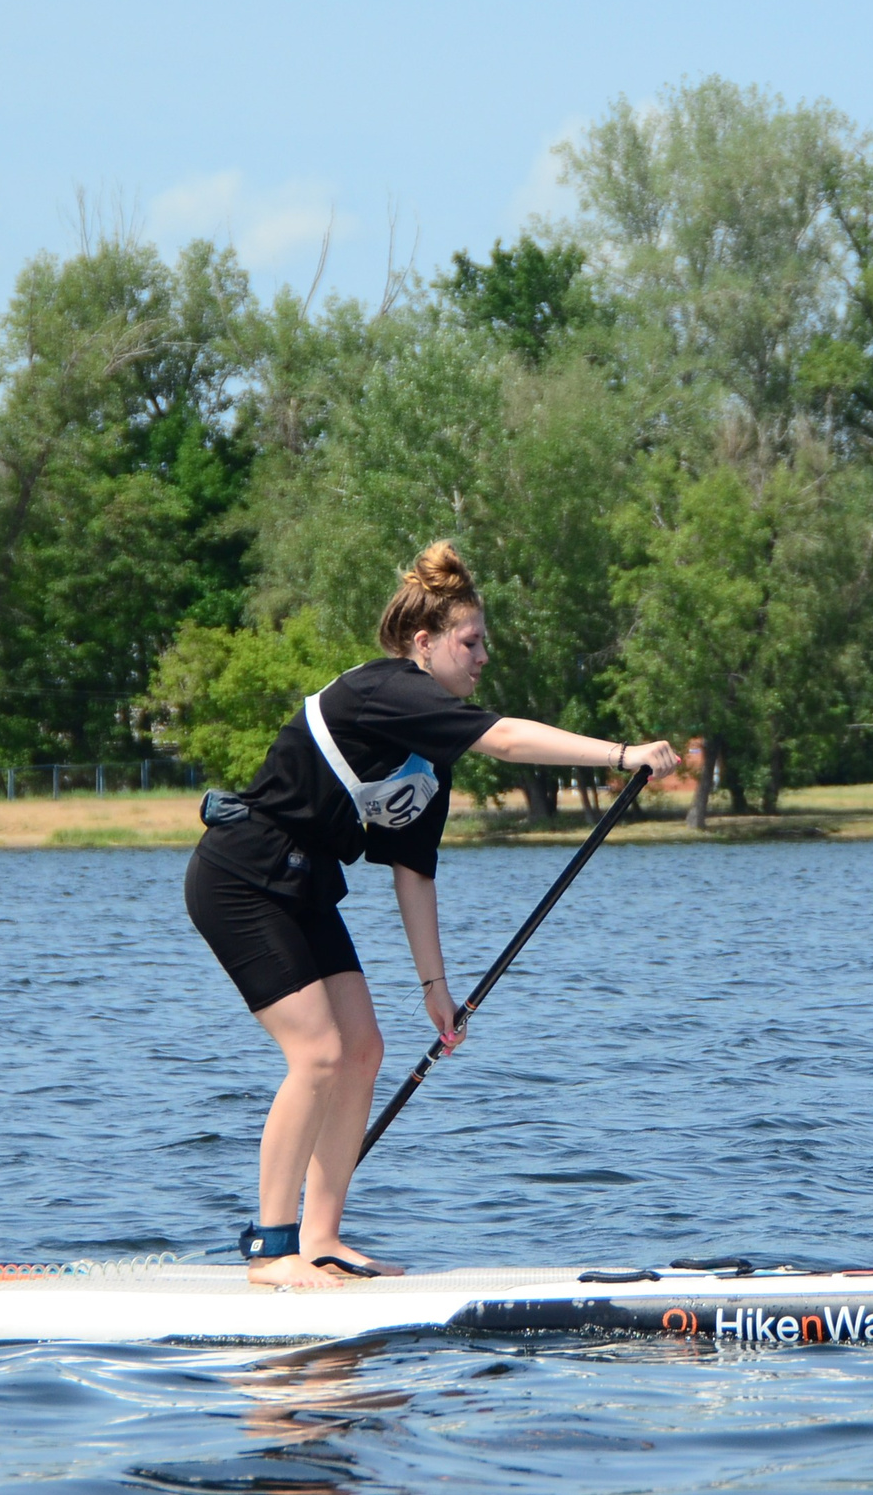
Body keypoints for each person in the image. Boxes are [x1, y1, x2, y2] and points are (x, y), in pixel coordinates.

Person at [184, 540, 679, 1287]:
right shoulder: (383, 689)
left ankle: (322, 1239)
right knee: (317, 1053)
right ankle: (271, 1251)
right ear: (425, 643)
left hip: (305, 884)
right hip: (240, 876)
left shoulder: (428, 761)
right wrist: (622, 754)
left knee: (363, 1050)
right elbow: (508, 738)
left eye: (484, 644)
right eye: (469, 643)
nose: (481, 658)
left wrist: (434, 990)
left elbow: (413, 874)